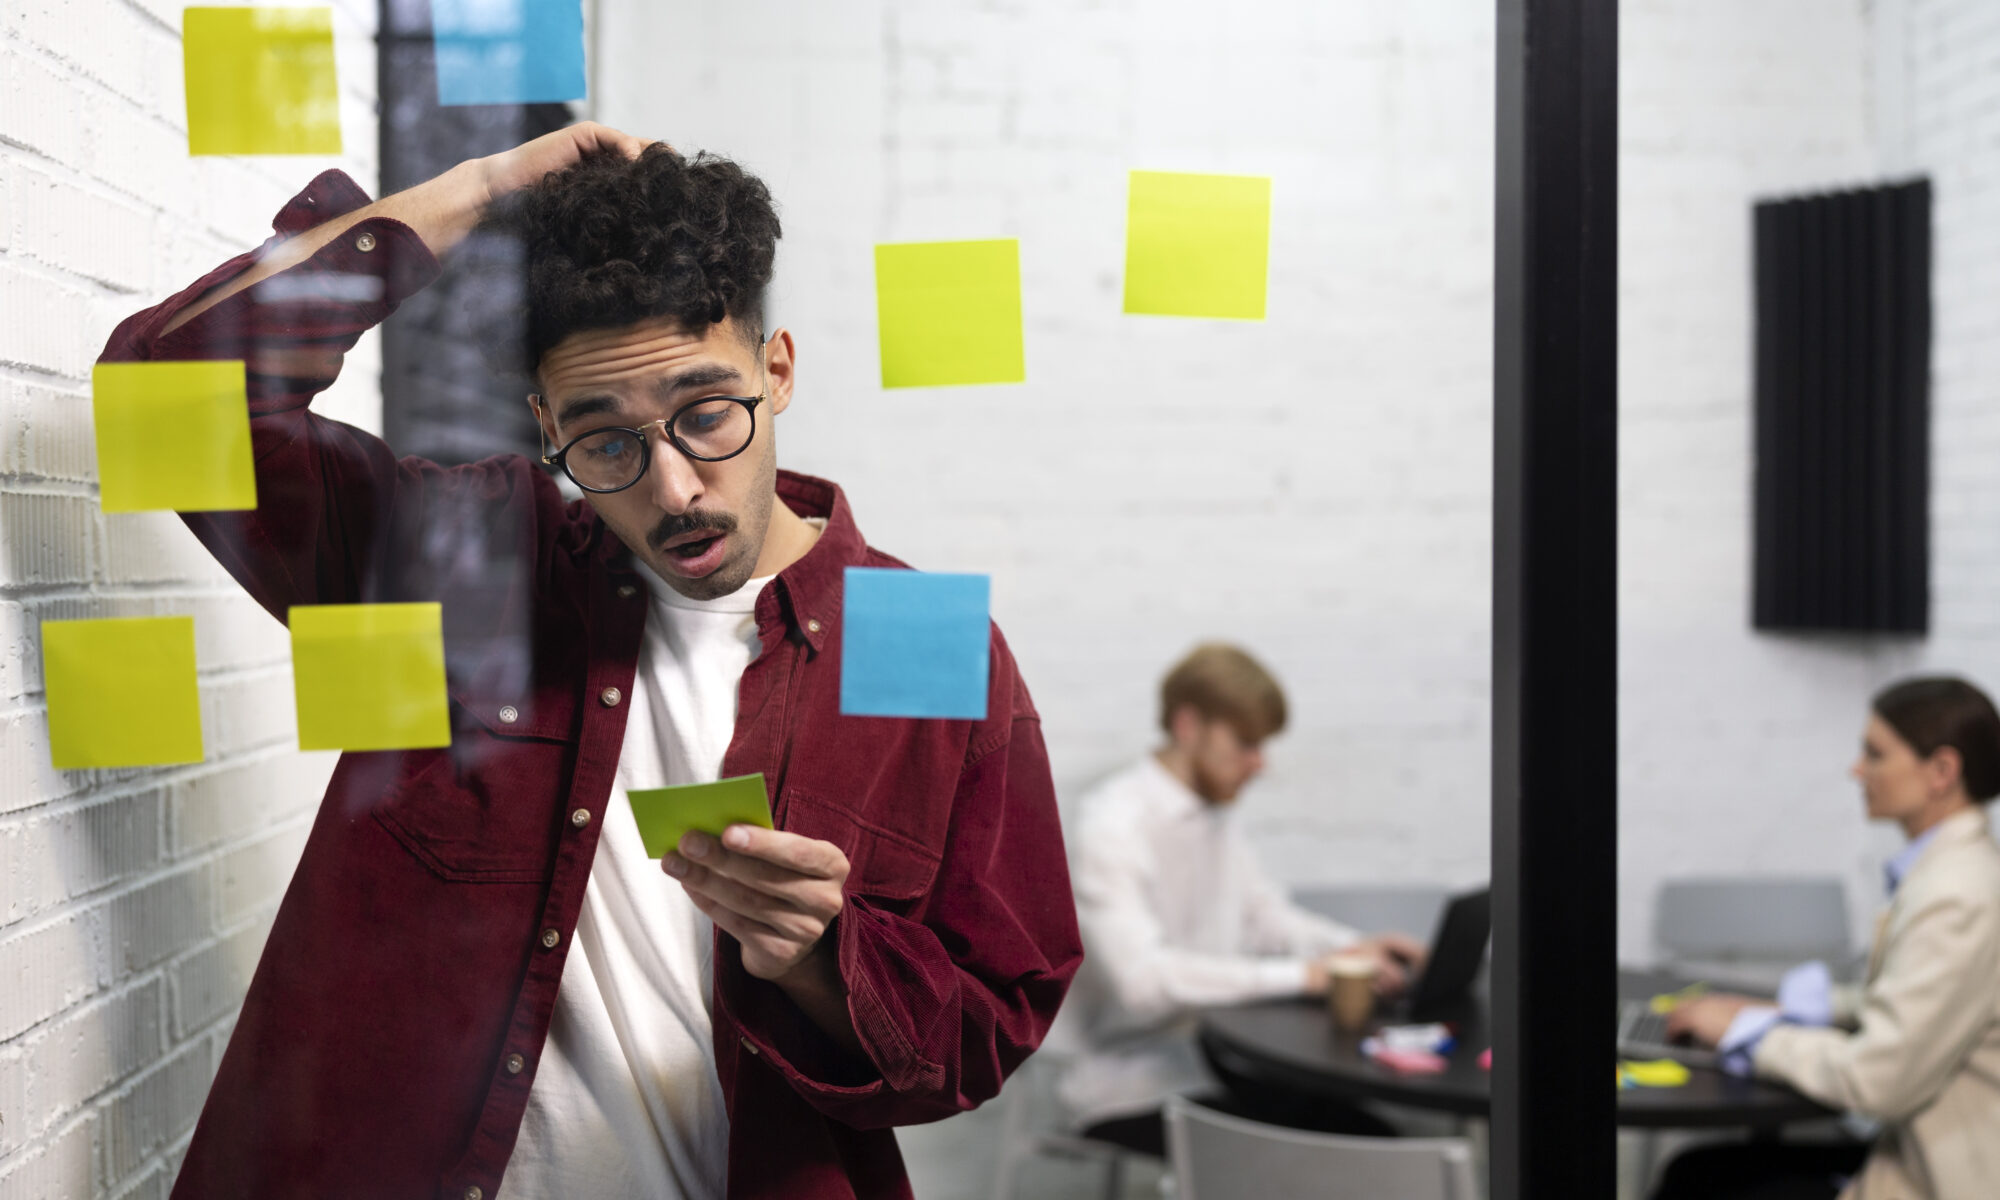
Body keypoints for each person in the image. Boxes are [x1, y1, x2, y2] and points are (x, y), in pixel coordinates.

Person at [100, 126, 1082, 1200]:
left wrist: (817, 955)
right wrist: (479, 189)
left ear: (778, 370)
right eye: (604, 442)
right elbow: (161, 397)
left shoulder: (925, 637)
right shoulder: (476, 570)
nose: (671, 489)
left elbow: (991, 1024)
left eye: (706, 415)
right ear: (545, 427)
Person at [1055, 643, 1427, 1157]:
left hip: (1214, 1057)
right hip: (1131, 1081)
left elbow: (1265, 917)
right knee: (1340, 1157)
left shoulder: (1212, 812)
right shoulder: (1111, 824)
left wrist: (1355, 949)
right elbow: (1143, 984)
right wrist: (1310, 975)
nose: (1259, 763)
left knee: (1380, 1142)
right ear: (1188, 725)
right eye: (1246, 743)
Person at [1655, 677, 2000, 1200]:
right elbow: (1917, 1006)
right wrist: (1789, 1011)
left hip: (1934, 1181)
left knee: (1697, 1182)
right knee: (1700, 1171)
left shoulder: (1959, 895)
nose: (1857, 770)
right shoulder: (1955, 872)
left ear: (1942, 772)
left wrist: (1747, 1033)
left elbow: (1878, 1081)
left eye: (1876, 754)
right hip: (1916, 1153)